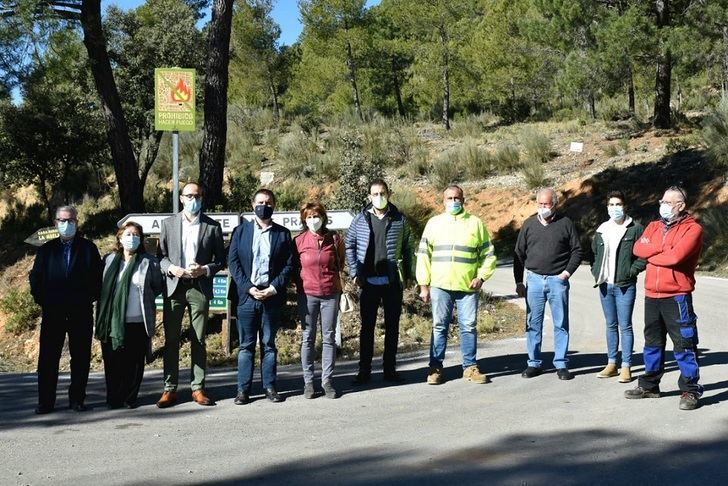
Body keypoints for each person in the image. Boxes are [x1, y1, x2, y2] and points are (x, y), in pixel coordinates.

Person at [625, 186, 703, 410]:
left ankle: (690, 390)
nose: (664, 205)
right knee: (652, 343)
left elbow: (676, 257)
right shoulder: (652, 226)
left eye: (669, 202)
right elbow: (639, 249)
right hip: (652, 294)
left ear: (681, 206)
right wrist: (661, 249)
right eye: (662, 201)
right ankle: (650, 385)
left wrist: (653, 253)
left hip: (677, 296)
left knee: (684, 344)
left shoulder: (693, 229)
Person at [416, 185, 497, 385]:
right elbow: (424, 256)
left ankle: (470, 367)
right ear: (443, 201)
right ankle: (435, 368)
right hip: (440, 285)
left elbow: (488, 255)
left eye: (457, 198)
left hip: (467, 287)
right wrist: (423, 285)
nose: (453, 202)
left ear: (463, 200)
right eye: (449, 198)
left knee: (468, 326)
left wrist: (481, 277)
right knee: (439, 326)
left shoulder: (475, 224)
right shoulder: (434, 224)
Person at [157, 182, 225, 408]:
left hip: (199, 287)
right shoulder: (168, 224)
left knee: (198, 340)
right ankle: (169, 389)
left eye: (197, 195)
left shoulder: (212, 226)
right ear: (181, 199)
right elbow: (161, 257)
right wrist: (171, 268)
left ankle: (198, 388)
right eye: (189, 195)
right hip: (175, 288)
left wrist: (204, 269)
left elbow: (220, 261)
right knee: (171, 340)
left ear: (201, 198)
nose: (193, 199)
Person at [29, 205, 102, 414]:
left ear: (76, 222)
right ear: (55, 223)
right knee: (48, 358)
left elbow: (97, 279)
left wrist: (87, 298)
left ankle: (77, 399)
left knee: (80, 357)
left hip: (81, 312)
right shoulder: (46, 250)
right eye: (62, 220)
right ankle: (46, 402)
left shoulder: (88, 248)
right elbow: (36, 278)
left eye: (70, 220)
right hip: (54, 312)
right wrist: (44, 300)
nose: (66, 224)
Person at [345, 179, 416, 384]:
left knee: (392, 328)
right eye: (375, 194)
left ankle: (389, 370)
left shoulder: (399, 219)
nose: (379, 197)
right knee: (367, 329)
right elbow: (349, 245)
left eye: (382, 193)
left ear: (389, 194)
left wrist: (409, 275)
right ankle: (364, 371)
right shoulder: (359, 220)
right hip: (367, 283)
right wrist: (354, 272)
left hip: (392, 283)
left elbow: (407, 248)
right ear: (369, 197)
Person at [228, 189, 294, 405]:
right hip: (247, 298)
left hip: (271, 297)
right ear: (252, 204)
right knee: (246, 346)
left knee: (269, 344)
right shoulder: (241, 231)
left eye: (267, 202)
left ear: (274, 205)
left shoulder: (283, 234)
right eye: (259, 202)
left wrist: (274, 288)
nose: (263, 205)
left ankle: (270, 386)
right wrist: (248, 287)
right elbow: (234, 263)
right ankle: (243, 390)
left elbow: (289, 265)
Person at [513, 187, 582, 380]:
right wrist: (519, 282)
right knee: (533, 323)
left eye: (547, 204)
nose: (543, 207)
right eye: (540, 204)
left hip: (557, 281)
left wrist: (566, 273)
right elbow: (518, 254)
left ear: (555, 204)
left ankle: (561, 363)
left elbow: (577, 250)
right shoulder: (528, 225)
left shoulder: (565, 223)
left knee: (561, 323)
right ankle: (533, 363)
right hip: (534, 280)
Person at [96, 222, 163, 409]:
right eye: (128, 234)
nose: (132, 238)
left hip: (137, 320)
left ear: (140, 239)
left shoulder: (148, 261)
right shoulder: (109, 260)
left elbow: (157, 286)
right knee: (113, 361)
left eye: (136, 235)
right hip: (112, 321)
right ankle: (114, 397)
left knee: (133, 363)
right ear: (120, 237)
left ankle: (130, 397)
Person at [590, 191, 646, 383]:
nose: (615, 208)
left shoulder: (635, 229)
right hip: (605, 285)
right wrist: (596, 271)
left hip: (624, 285)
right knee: (610, 325)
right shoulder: (601, 229)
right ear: (607, 207)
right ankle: (611, 363)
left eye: (618, 204)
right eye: (612, 204)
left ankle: (626, 366)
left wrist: (631, 271)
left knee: (626, 325)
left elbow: (644, 255)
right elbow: (594, 255)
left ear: (625, 206)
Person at [293, 202, 344, 399]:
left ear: (323, 217)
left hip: (331, 293)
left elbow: (340, 262)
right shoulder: (298, 241)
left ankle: (327, 381)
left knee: (329, 337)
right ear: (304, 220)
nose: (313, 220)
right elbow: (294, 268)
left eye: (316, 216)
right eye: (309, 217)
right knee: (308, 337)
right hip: (307, 295)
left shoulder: (335, 238)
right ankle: (308, 382)